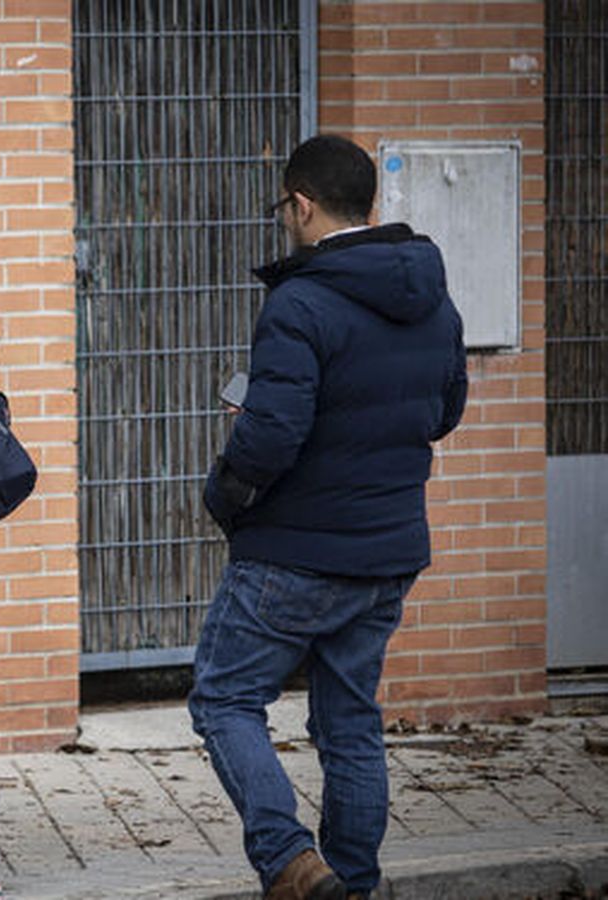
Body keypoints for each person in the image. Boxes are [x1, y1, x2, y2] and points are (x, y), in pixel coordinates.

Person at [190, 134, 467, 900]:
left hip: (293, 554)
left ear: (302, 204)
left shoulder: (302, 301)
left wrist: (224, 496)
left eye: (285, 208)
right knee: (349, 722)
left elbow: (271, 435)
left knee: (223, 699)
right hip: (387, 554)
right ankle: (353, 883)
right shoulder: (432, 297)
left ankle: (290, 862)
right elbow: (445, 411)